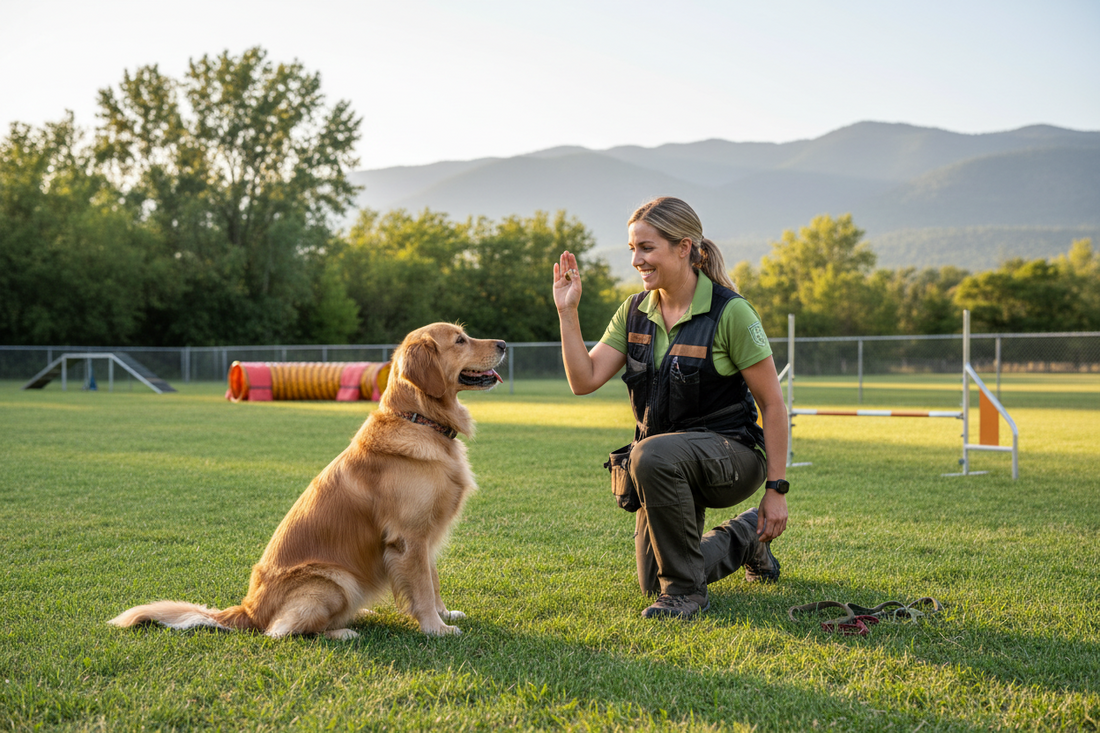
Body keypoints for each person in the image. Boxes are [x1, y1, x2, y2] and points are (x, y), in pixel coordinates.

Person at [553, 196, 789, 620]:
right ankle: (746, 537)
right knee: (651, 581)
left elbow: (772, 404)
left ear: (684, 247)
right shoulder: (633, 312)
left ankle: (686, 595)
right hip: (664, 465)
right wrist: (567, 311)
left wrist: (776, 489)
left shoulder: (730, 312)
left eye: (647, 248)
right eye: (632, 250)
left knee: (653, 454)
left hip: (731, 457)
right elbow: (583, 380)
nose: (637, 261)